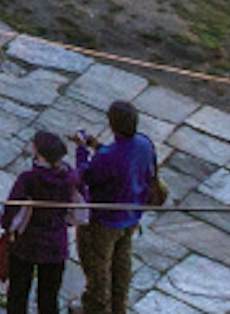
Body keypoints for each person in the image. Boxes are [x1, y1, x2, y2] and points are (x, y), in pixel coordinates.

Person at [74, 99, 162, 313]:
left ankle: (95, 307)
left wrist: (82, 151)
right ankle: (118, 306)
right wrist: (98, 146)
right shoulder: (144, 143)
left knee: (98, 265)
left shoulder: (108, 157)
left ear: (112, 124)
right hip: (131, 216)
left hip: (104, 221)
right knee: (121, 262)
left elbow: (86, 176)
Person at [0, 130, 80, 313]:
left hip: (27, 243)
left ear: (40, 153)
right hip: (55, 244)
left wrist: (7, 228)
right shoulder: (71, 178)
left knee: (18, 291)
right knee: (49, 296)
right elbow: (80, 208)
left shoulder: (29, 179)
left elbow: (13, 209)